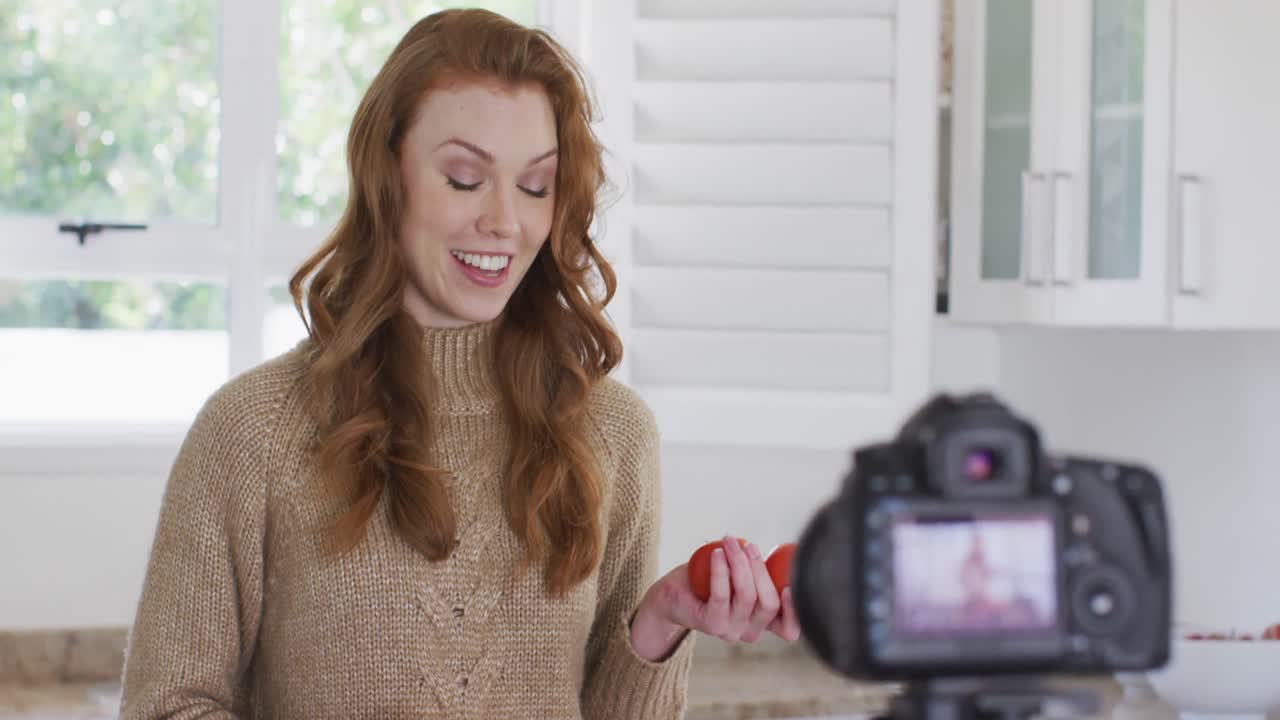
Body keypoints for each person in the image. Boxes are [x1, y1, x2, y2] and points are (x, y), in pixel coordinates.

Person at [117, 8, 799, 720]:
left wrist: (661, 622)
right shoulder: (253, 431)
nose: (504, 220)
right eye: (466, 179)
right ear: (389, 176)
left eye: (535, 186)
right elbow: (168, 707)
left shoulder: (614, 434)